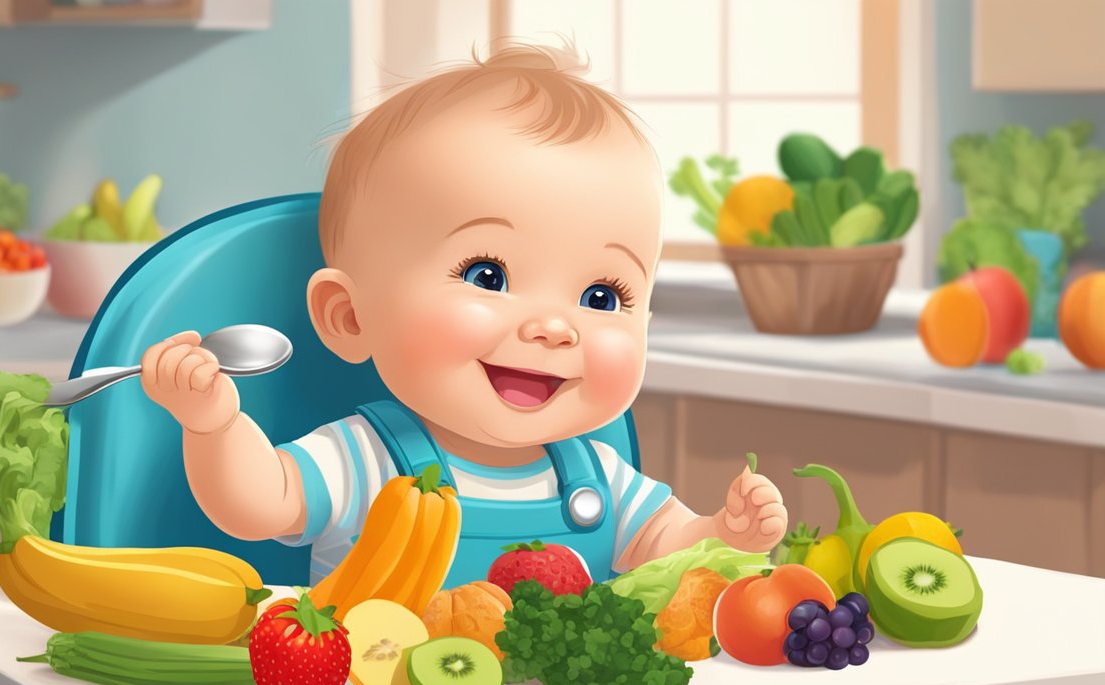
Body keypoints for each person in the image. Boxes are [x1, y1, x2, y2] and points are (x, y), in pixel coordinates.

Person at [141, 42, 787, 586]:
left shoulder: (595, 476)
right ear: (350, 318)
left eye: (601, 298)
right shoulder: (370, 461)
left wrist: (723, 534)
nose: (554, 327)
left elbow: (666, 550)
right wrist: (215, 425)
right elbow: (258, 505)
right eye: (489, 276)